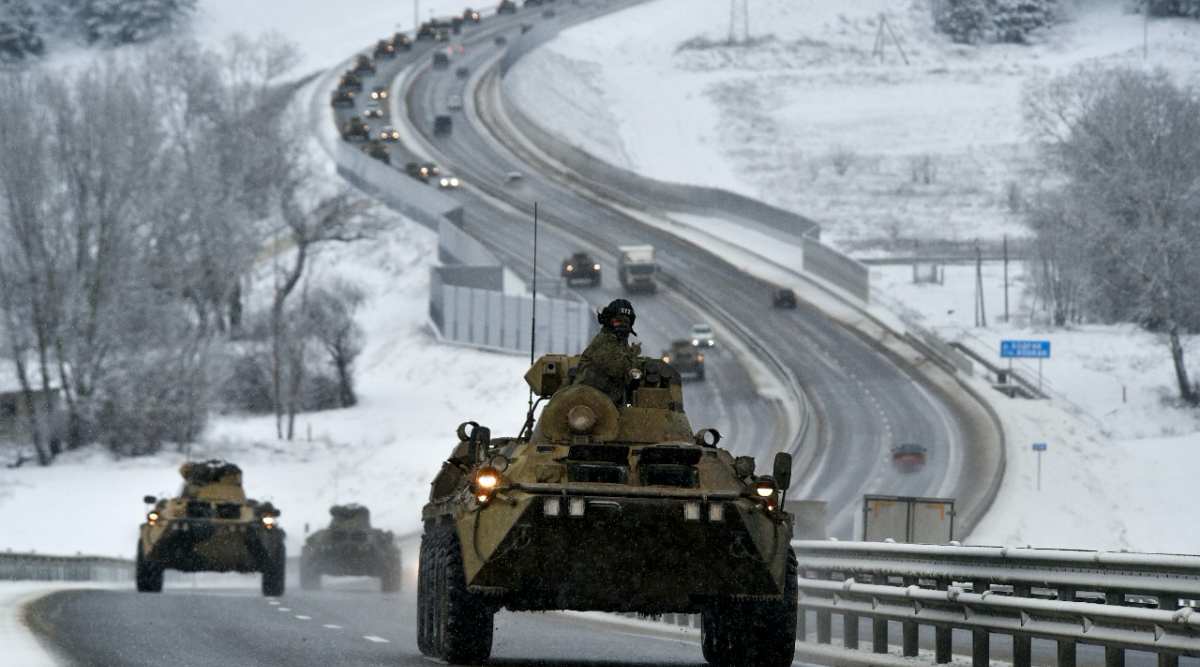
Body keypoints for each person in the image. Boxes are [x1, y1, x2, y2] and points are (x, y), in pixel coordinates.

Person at [574, 299, 641, 404]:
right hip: (587, 403)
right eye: (618, 321)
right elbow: (621, 370)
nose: (622, 326)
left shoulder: (620, 343)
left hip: (603, 402)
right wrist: (633, 355)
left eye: (626, 322)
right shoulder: (605, 341)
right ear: (608, 321)